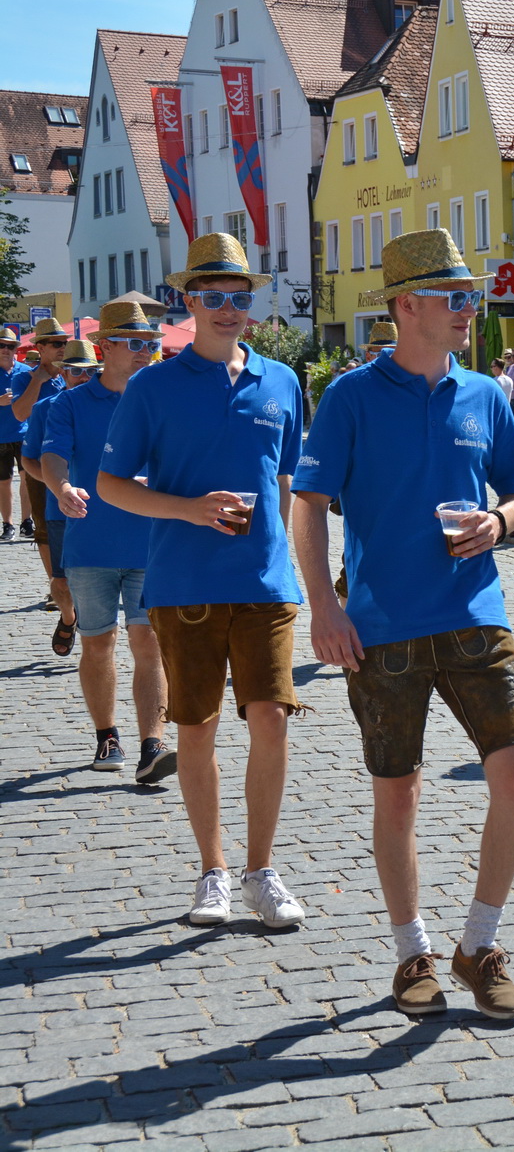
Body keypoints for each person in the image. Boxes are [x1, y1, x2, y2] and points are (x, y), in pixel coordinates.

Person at [292, 228, 514, 1019]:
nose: (470, 308)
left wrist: (499, 522)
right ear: (406, 304)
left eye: (471, 295)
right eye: (454, 296)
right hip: (382, 627)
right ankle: (412, 954)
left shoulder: (487, 394)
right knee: (398, 795)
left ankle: (479, 943)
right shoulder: (351, 397)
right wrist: (324, 608)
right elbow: (309, 504)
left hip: (474, 613)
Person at [97, 232, 308, 929]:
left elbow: (286, 484)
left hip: (265, 582)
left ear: (252, 302)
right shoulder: (154, 385)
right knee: (197, 728)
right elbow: (110, 483)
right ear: (189, 302)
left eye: (238, 298)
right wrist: (188, 508)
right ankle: (212, 871)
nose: (227, 309)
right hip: (183, 583)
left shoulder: (281, 381)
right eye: (213, 297)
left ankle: (262, 869)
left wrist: (301, 564)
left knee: (271, 719)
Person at [41, 306, 175, 783]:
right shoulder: (71, 404)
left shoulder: (162, 399)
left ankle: (152, 744)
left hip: (151, 543)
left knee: (149, 643)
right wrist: (62, 489)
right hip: (92, 547)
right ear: (106, 348)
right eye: (134, 343)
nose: (146, 352)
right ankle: (107, 735)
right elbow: (52, 457)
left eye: (150, 343)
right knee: (99, 645)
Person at [14, 325, 75, 654]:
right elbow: (21, 413)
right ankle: (60, 591)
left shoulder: (97, 387)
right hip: (40, 464)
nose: (60, 348)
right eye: (54, 343)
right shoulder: (27, 375)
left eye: (64, 343)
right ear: (40, 346)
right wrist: (38, 379)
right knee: (45, 531)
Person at [0, 325, 31, 539]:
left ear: (15, 350)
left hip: (24, 434)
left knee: (27, 479)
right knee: (4, 482)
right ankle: (7, 524)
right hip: (1, 436)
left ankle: (26, 522)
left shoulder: (25, 372)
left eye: (10, 346)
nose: (5, 349)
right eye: (1, 345)